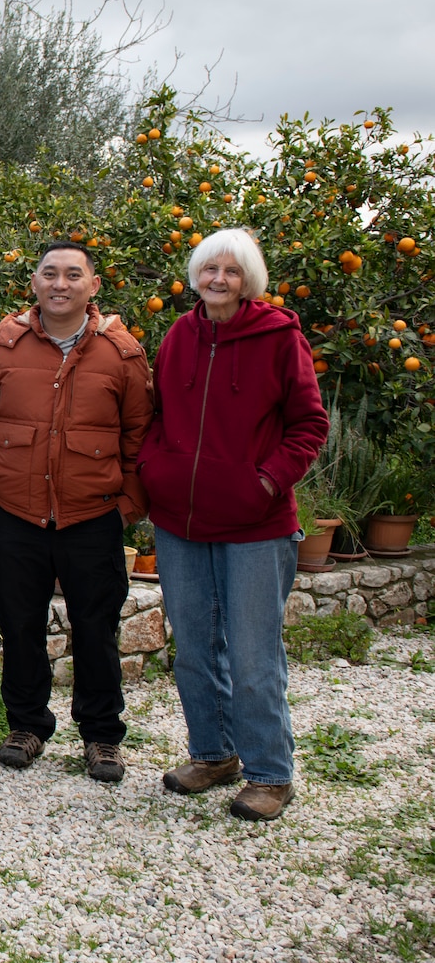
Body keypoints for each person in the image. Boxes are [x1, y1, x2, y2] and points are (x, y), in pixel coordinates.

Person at [137, 227, 327, 821]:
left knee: (252, 654)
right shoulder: (179, 335)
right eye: (209, 269)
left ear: (250, 280)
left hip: (256, 523)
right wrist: (154, 469)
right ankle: (214, 755)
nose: (219, 279)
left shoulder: (278, 338)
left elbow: (309, 426)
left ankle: (270, 772)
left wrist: (265, 480)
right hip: (180, 523)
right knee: (193, 648)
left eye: (232, 271)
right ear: (195, 276)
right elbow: (157, 414)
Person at [0, 241, 154, 783]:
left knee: (97, 629)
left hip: (92, 517)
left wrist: (126, 508)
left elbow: (142, 437)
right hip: (16, 515)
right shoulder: (1, 346)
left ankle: (101, 737)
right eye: (50, 273)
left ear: (94, 285)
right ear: (34, 282)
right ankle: (25, 725)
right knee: (19, 625)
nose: (60, 284)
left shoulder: (122, 353)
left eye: (74, 274)